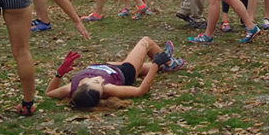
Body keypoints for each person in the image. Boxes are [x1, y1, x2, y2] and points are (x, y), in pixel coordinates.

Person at [46, 38, 184, 108]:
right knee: (146, 42)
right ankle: (168, 63)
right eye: (100, 84)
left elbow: (49, 93)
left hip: (110, 67)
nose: (100, 80)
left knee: (142, 68)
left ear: (82, 84)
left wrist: (59, 74)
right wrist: (156, 63)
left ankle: (164, 66)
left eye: (95, 81)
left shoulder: (72, 87)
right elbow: (141, 90)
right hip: (125, 71)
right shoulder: (108, 88)